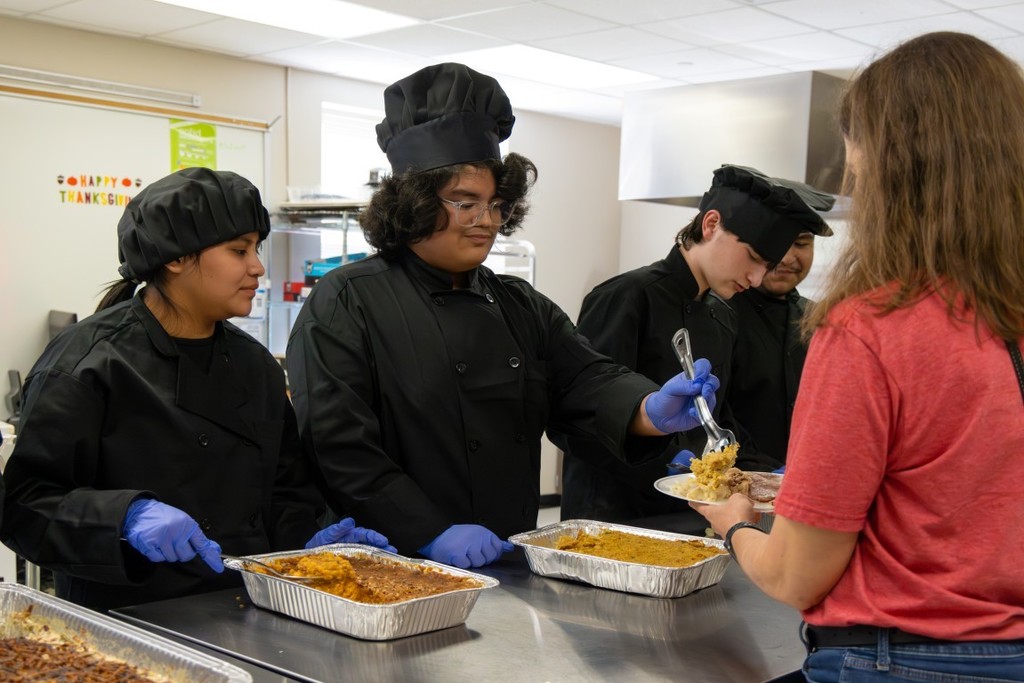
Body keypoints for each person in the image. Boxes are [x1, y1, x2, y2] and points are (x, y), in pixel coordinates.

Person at [286, 62, 719, 570]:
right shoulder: (347, 300)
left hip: (506, 556)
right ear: (412, 203)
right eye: (465, 203)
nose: (487, 221)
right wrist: (428, 530)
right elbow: (338, 445)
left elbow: (584, 381)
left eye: (496, 204)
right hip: (392, 564)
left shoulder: (518, 302)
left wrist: (648, 409)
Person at [693, 32, 1024, 682]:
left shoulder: (871, 327)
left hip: (900, 659)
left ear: (891, 167)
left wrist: (735, 524)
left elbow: (796, 574)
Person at [1, 167, 392, 612]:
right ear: (176, 258)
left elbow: (285, 492)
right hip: (124, 620)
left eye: (257, 249)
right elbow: (25, 507)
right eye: (238, 250)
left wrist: (308, 544)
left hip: (247, 610)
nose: (257, 267)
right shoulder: (90, 362)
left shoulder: (256, 366)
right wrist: (125, 518)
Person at [559, 166, 833, 523]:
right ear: (711, 224)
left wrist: (766, 473)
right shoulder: (626, 296)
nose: (756, 278)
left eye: (766, 266)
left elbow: (720, 422)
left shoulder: (722, 316)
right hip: (611, 516)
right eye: (753, 258)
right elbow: (577, 416)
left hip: (686, 516)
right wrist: (667, 460)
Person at [728, 229, 819, 468]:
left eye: (801, 244)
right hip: (734, 480)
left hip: (806, 478)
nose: (787, 258)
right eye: (778, 241)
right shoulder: (719, 314)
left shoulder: (821, 320)